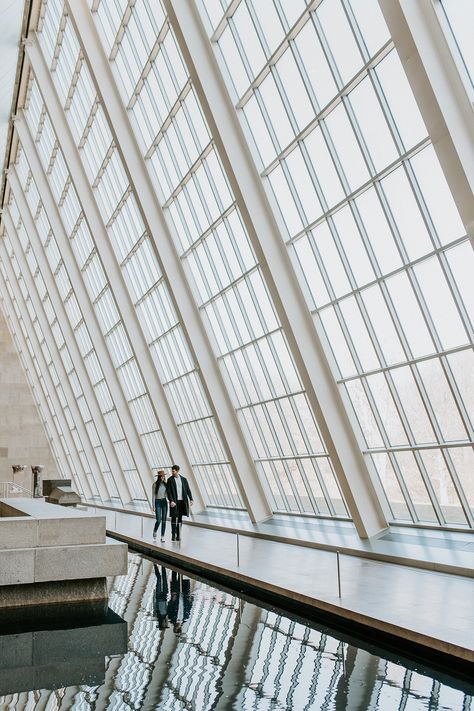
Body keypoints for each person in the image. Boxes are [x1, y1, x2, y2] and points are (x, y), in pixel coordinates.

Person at [166, 464, 193, 541]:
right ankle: (173, 535)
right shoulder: (170, 480)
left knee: (180, 518)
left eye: (173, 471)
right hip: (174, 502)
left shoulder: (184, 479)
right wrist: (171, 501)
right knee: (174, 518)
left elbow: (188, 489)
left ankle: (178, 535)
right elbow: (168, 492)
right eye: (172, 471)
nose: (172, 472)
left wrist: (191, 499)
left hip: (182, 501)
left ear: (177, 471)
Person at [151, 470, 168, 542]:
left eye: (163, 476)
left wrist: (170, 501)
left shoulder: (165, 484)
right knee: (158, 520)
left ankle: (162, 536)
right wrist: (153, 506)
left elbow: (167, 494)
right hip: (157, 502)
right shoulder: (154, 485)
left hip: (164, 502)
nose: (163, 477)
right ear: (159, 477)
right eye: (161, 476)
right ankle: (155, 531)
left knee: (164, 521)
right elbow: (153, 496)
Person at [153, 564, 169, 631]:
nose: (165, 624)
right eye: (166, 625)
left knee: (159, 578)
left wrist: (154, 595)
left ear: (161, 624)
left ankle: (155, 565)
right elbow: (167, 606)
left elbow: (154, 605)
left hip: (159, 597)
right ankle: (163, 565)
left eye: (164, 625)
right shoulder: (166, 616)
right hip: (164, 596)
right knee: (164, 579)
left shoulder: (157, 616)